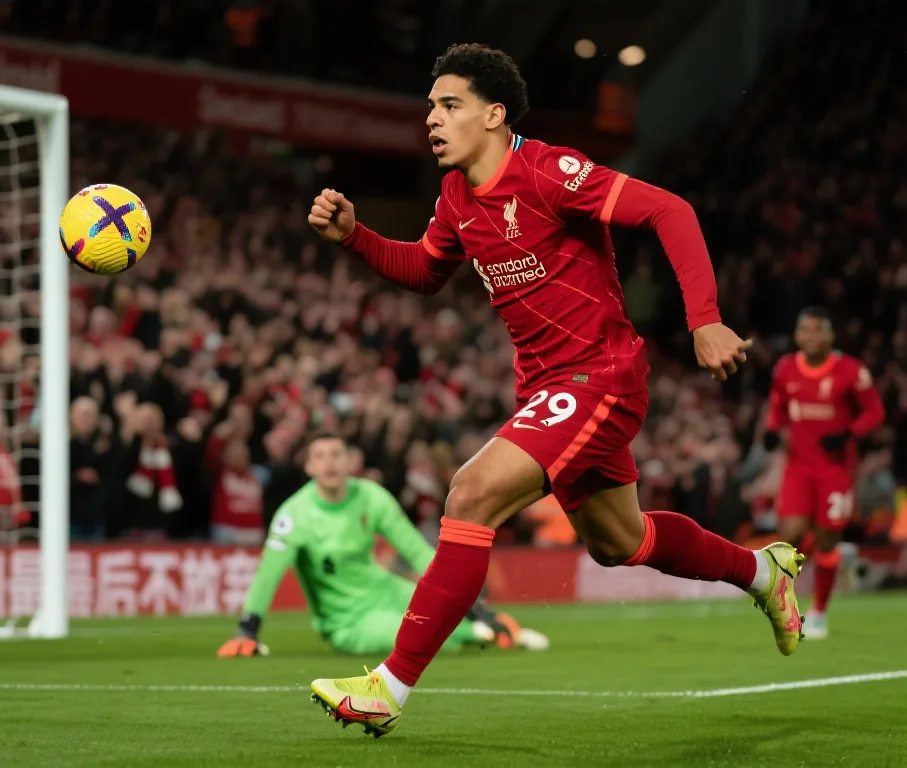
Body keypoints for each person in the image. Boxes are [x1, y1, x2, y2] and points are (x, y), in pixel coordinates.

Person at [305, 43, 805, 736]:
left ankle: (387, 688)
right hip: (550, 389)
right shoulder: (456, 198)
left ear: (494, 114)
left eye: (449, 105)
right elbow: (424, 271)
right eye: (430, 108)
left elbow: (671, 210)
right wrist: (355, 236)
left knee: (470, 494)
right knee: (620, 541)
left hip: (600, 376)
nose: (432, 119)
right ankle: (762, 572)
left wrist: (705, 320)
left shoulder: (548, 172)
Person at [216, 431, 548, 658]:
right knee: (418, 635)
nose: (329, 463)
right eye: (320, 456)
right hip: (349, 622)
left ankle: (491, 624)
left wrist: (469, 603)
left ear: (348, 461)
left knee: (440, 612)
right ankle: (487, 634)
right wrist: (248, 628)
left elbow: (416, 551)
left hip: (386, 591)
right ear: (309, 466)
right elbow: (269, 573)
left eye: (336, 455)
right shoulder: (294, 515)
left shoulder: (371, 496)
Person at [763, 307, 884, 639]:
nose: (811, 336)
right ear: (797, 335)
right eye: (805, 330)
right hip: (798, 467)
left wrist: (849, 434)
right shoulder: (786, 368)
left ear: (830, 336)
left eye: (818, 330)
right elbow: (778, 404)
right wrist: (772, 429)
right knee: (791, 533)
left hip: (835, 470)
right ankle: (784, 604)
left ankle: (818, 611)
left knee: (827, 540)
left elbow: (874, 412)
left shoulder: (851, 371)